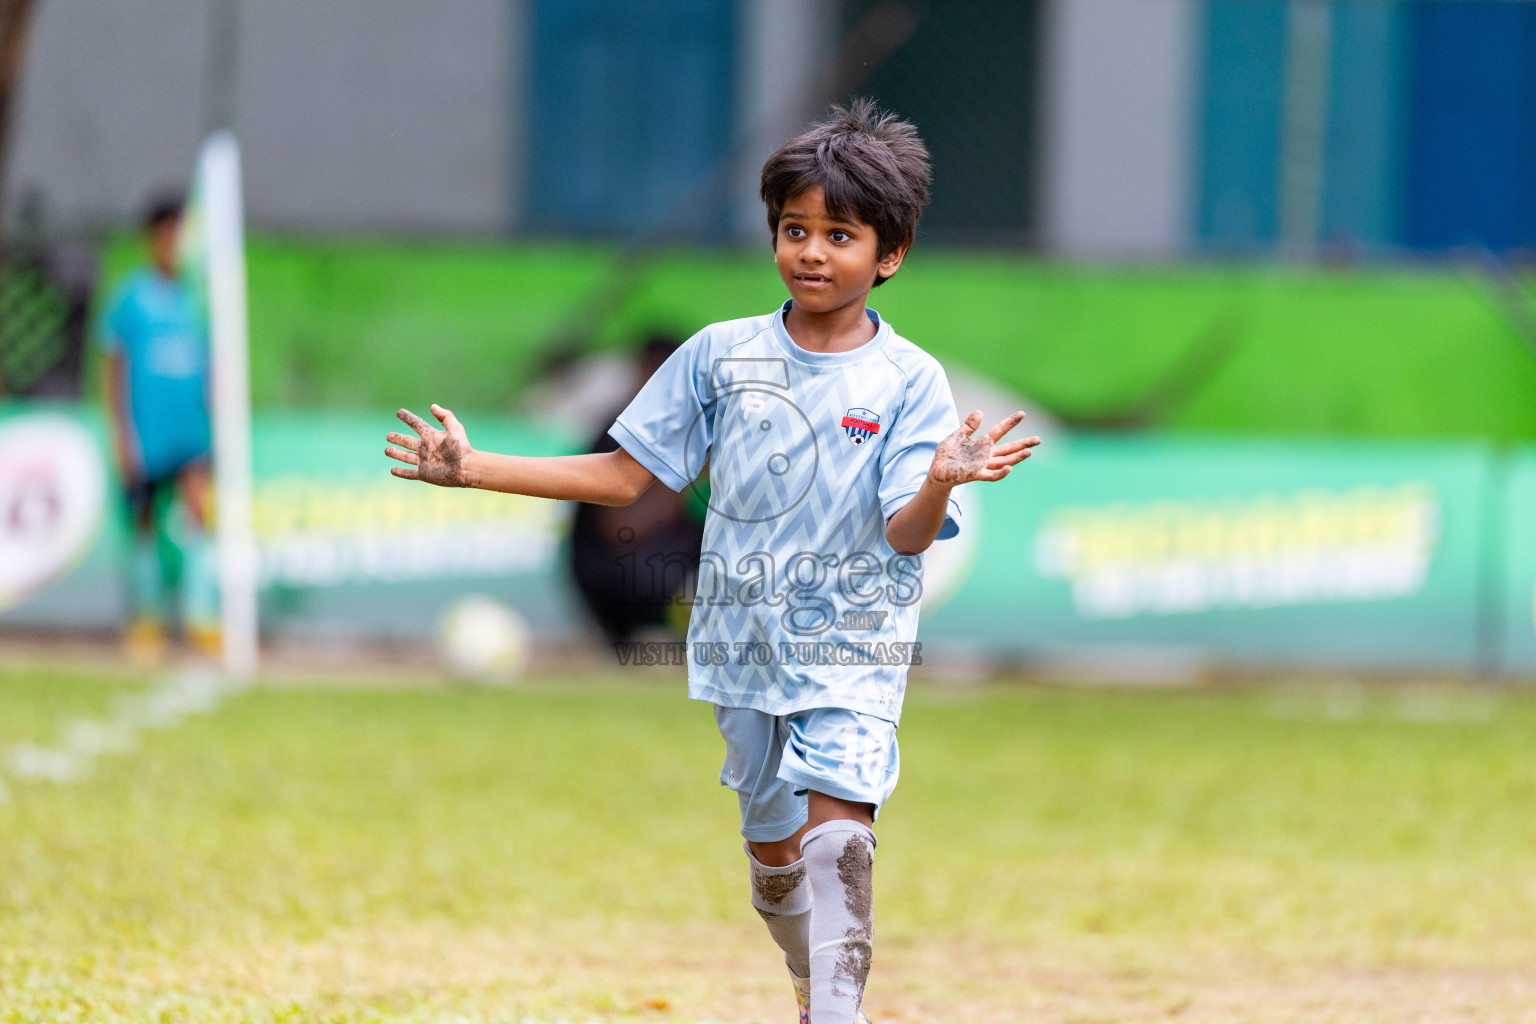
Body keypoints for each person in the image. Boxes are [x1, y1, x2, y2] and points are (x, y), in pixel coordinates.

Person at [384, 99, 1040, 1024]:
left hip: (852, 651)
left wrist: (939, 481)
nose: (812, 252)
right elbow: (623, 476)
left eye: (838, 235)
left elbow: (904, 532)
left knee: (839, 845)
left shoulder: (910, 383)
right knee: (778, 873)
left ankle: (838, 1016)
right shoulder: (718, 358)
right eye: (794, 229)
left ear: (887, 255)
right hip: (740, 650)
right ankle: (811, 982)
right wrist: (476, 468)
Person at [101, 194, 219, 661]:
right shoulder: (132, 297)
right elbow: (114, 368)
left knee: (197, 515)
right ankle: (147, 620)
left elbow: (212, 367)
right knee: (145, 523)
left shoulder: (198, 296)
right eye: (167, 233)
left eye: (181, 233)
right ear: (152, 239)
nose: (174, 243)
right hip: (146, 433)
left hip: (191, 431)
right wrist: (121, 433)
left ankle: (201, 617)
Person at [567, 335, 707, 645]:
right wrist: (681, 480)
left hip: (659, 558)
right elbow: (620, 528)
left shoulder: (689, 427)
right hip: (614, 567)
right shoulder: (620, 430)